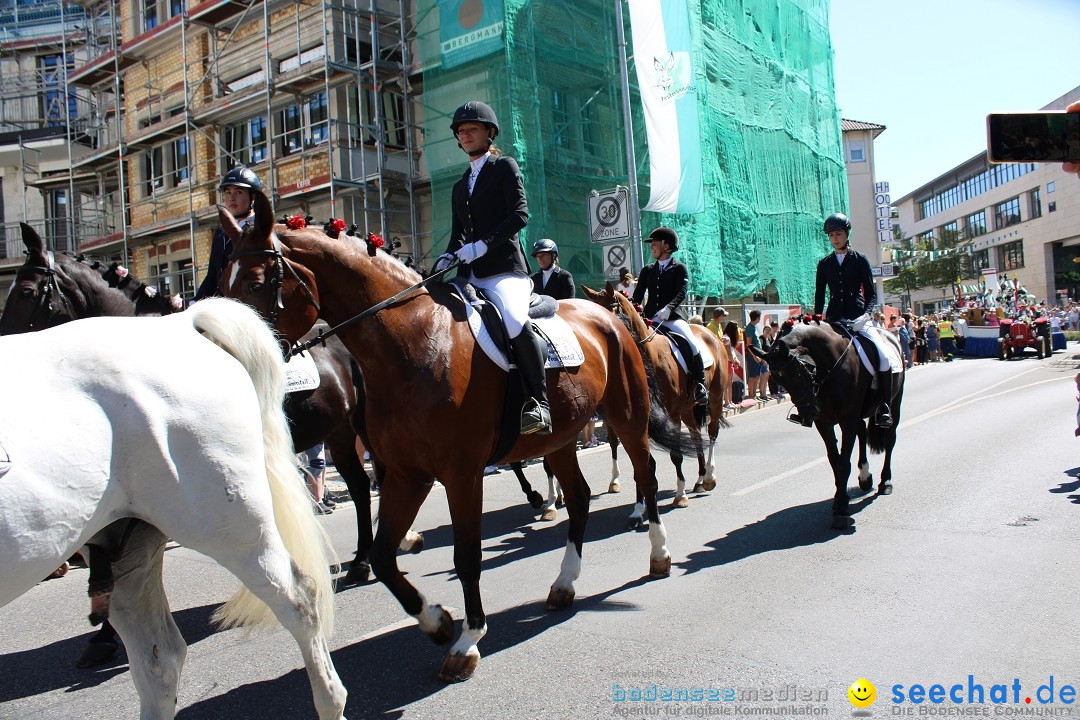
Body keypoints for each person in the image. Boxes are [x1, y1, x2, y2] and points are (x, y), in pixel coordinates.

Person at [432, 100, 550, 435]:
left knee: (513, 320)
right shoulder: (459, 185)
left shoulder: (504, 167)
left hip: (503, 270)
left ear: (489, 133)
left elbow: (520, 215)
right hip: (468, 273)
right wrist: (448, 256)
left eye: (472, 129)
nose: (465, 135)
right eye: (461, 131)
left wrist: (481, 245)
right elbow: (458, 236)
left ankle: (540, 404)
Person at [792, 212, 897, 428]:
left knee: (883, 357)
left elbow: (871, 293)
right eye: (831, 235)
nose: (835, 238)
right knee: (814, 358)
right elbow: (820, 295)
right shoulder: (824, 264)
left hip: (859, 316)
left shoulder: (860, 259)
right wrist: (817, 319)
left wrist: (866, 316)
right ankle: (808, 408)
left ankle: (884, 405)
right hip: (834, 319)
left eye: (838, 234)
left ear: (847, 234)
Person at [631, 226, 707, 407]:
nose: (652, 247)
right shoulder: (647, 270)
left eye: (655, 243)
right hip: (650, 318)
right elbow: (638, 295)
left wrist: (669, 308)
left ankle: (699, 384)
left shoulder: (679, 268)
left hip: (672, 318)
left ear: (666, 245)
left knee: (691, 342)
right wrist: (632, 310)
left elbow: (681, 292)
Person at [194, 166, 261, 300]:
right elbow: (213, 275)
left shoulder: (261, 228)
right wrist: (195, 301)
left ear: (253, 196)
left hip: (250, 300)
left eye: (238, 192)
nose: (232, 198)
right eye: (228, 192)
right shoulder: (220, 232)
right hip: (224, 301)